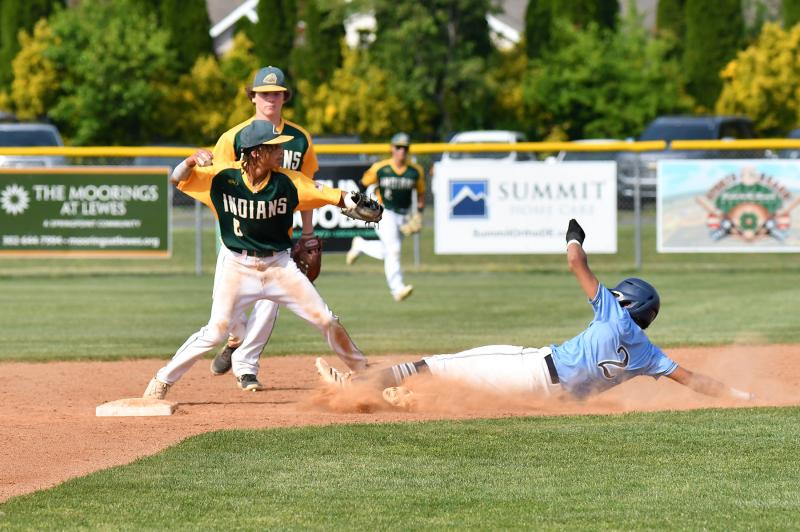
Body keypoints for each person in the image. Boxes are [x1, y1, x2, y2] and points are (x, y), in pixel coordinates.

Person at [316, 219, 755, 408]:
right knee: (467, 387)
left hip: (535, 369)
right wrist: (739, 396)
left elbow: (575, 262)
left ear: (629, 303)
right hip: (551, 401)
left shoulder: (614, 314)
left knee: (438, 364)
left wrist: (573, 236)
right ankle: (405, 399)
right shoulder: (648, 354)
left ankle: (361, 386)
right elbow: (695, 381)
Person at [143, 120, 376, 400]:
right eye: (274, 147)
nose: (281, 151)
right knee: (215, 331)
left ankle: (364, 372)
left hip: (279, 267)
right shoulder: (222, 176)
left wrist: (353, 202)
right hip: (237, 267)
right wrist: (191, 160)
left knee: (326, 319)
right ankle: (162, 380)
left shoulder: (288, 181)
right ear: (256, 152)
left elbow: (330, 194)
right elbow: (177, 179)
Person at [209, 66, 322, 389]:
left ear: (285, 97)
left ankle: (246, 367)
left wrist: (308, 233)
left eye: (276, 93)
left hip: (277, 237)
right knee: (226, 309)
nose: (270, 98)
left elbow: (308, 190)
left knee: (269, 305)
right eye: (264, 93)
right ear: (253, 97)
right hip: (236, 236)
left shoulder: (299, 139)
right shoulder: (233, 138)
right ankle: (235, 338)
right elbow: (216, 184)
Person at [345, 132, 425, 302]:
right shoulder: (381, 168)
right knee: (394, 249)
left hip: (403, 215)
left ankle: (361, 245)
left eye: (405, 148)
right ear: (392, 148)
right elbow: (362, 184)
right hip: (383, 212)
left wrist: (419, 214)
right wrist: (361, 203)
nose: (402, 151)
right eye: (398, 147)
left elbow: (421, 193)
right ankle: (397, 289)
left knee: (389, 251)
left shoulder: (415, 171)